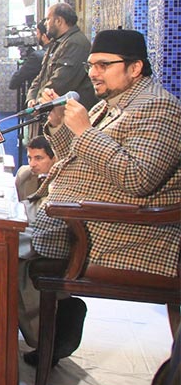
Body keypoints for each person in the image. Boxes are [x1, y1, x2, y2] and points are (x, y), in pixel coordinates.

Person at [19, 29, 181, 367]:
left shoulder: (159, 109)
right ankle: (53, 321)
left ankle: (48, 327)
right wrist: (60, 124)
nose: (93, 73)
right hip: (73, 216)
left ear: (135, 68)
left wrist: (84, 131)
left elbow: (137, 178)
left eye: (103, 65)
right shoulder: (113, 104)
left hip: (110, 232)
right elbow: (72, 158)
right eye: (91, 64)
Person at [26, 2, 97, 110]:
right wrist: (31, 98)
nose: (45, 23)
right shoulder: (56, 43)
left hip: (69, 114)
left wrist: (39, 102)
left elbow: (61, 82)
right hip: (49, 107)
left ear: (59, 21)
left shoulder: (75, 43)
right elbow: (41, 76)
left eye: (48, 19)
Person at [14, 135, 56, 224]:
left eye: (38, 158)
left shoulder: (61, 182)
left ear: (54, 158)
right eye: (29, 158)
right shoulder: (23, 174)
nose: (32, 164)